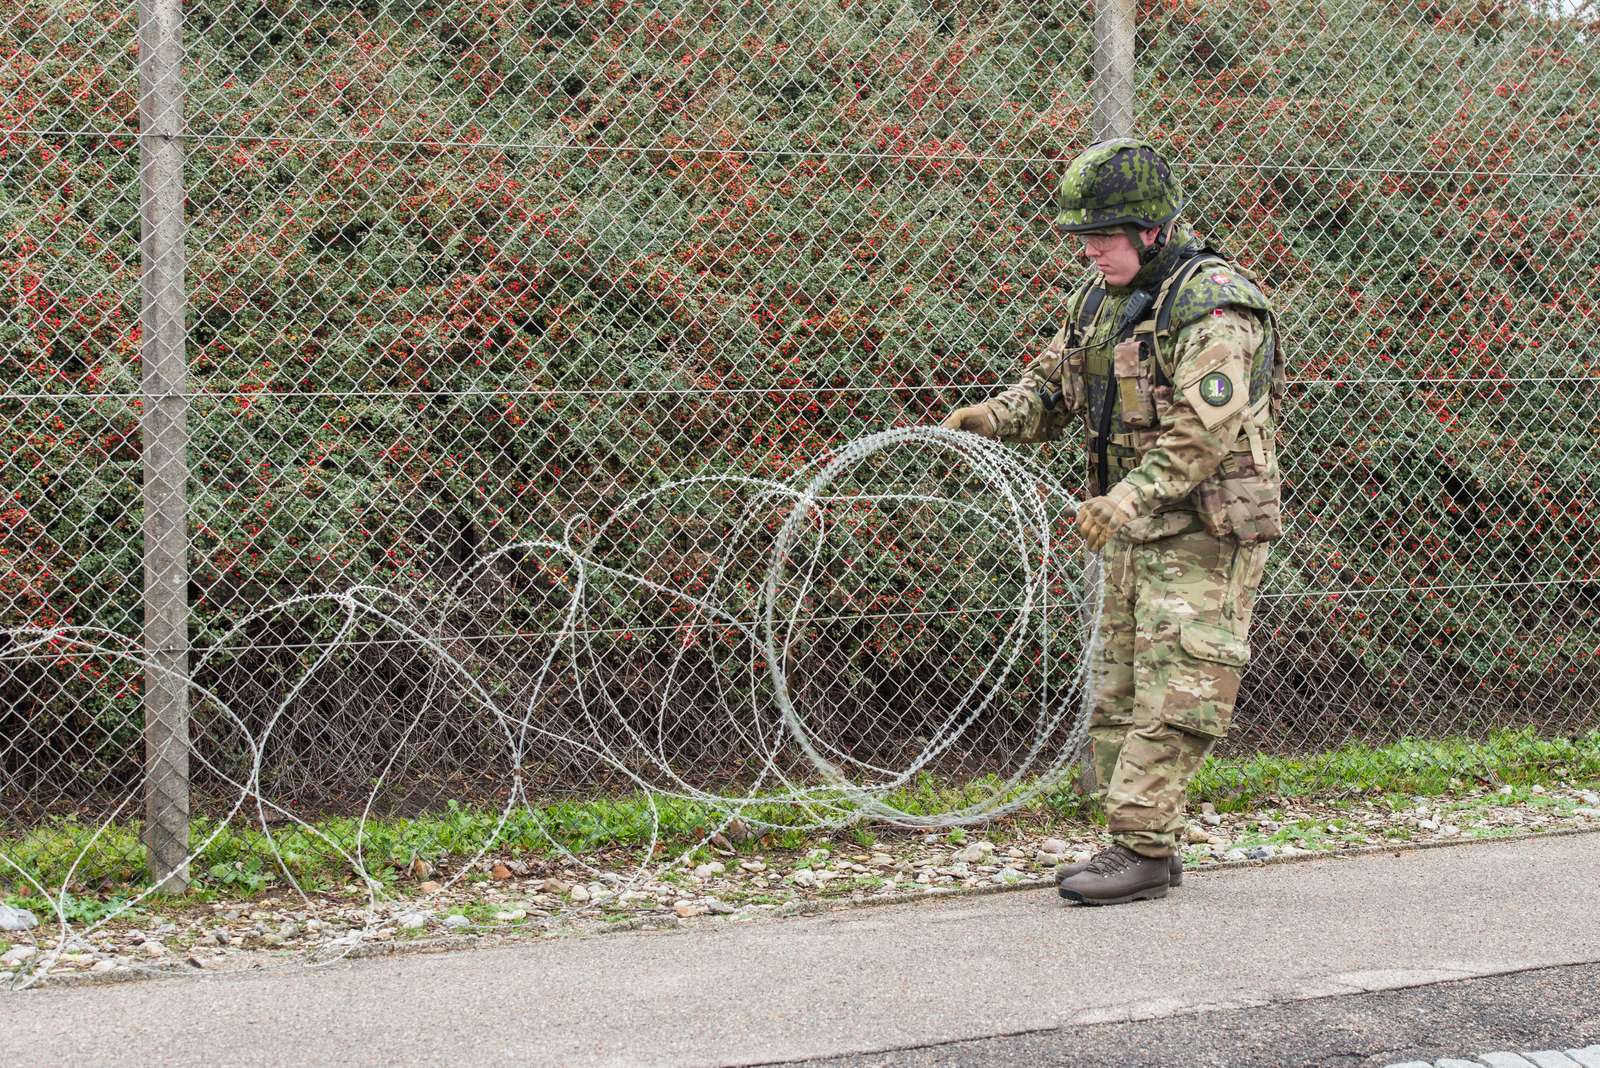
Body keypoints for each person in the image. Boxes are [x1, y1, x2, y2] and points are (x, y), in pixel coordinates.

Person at [941, 137, 1285, 905]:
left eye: (1103, 236)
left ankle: (1140, 850)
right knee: (1121, 688)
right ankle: (1146, 844)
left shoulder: (1215, 309)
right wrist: (990, 418)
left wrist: (1128, 496)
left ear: (1150, 230)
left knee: (1179, 686)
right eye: (1084, 237)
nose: (1090, 250)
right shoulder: (1098, 302)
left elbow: (1204, 433)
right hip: (1132, 526)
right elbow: (1054, 389)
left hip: (1204, 530)